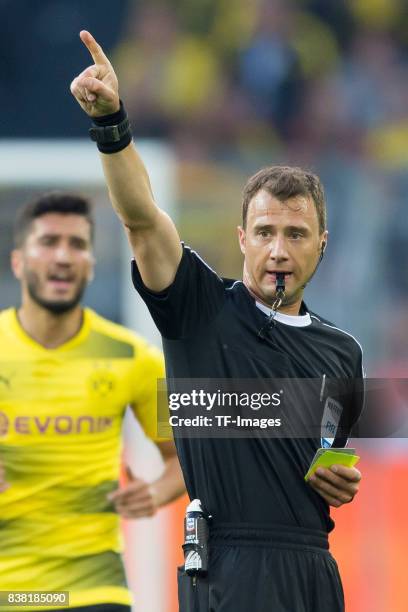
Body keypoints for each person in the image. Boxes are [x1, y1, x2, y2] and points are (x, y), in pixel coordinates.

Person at [70, 31, 364, 612]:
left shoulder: (344, 354)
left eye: (296, 234)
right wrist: (112, 124)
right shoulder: (200, 309)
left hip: (314, 570)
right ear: (242, 240)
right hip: (229, 569)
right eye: (265, 233)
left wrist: (342, 482)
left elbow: (330, 457)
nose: (278, 250)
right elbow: (142, 221)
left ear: (322, 245)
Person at [0, 192, 185, 612]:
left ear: (91, 265)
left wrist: (155, 493)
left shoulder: (131, 357)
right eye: (48, 242)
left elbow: (191, 458)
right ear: (18, 262)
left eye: (77, 244)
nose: (63, 256)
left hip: (94, 590)